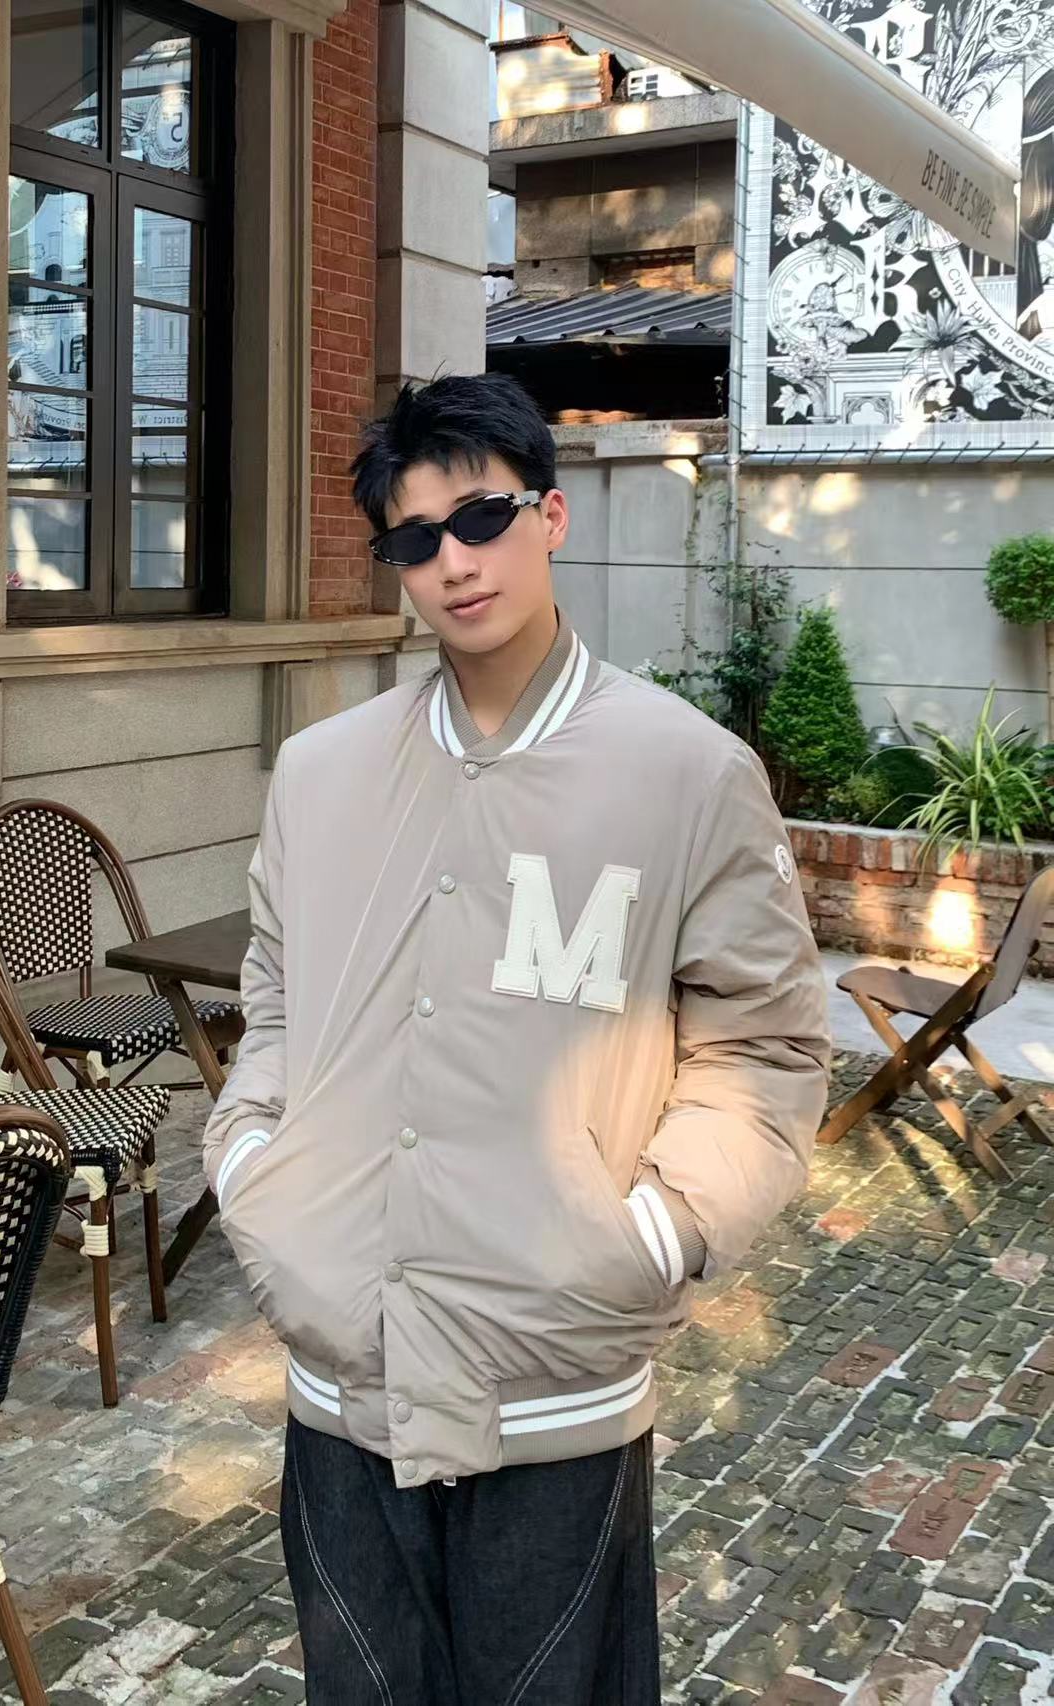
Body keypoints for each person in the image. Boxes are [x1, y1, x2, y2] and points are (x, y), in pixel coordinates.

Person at [202, 372, 831, 1704]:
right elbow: (276, 993)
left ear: (549, 515)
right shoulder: (321, 772)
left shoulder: (687, 771)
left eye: (480, 518)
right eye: (415, 537)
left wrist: (652, 1233)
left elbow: (766, 1047)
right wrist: (255, 1166)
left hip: (555, 1380)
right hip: (345, 1364)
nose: (454, 561)